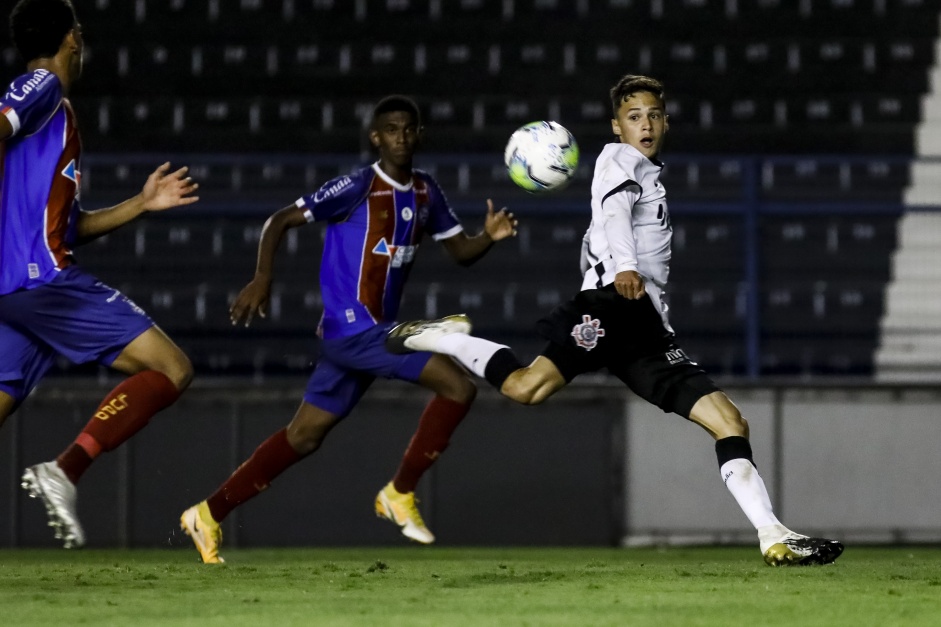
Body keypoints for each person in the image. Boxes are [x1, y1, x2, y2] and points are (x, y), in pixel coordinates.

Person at [387, 75, 844, 567]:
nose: (644, 124)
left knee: (729, 420)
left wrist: (620, 272)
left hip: (644, 324)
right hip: (613, 304)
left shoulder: (646, 173)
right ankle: (449, 339)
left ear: (665, 122)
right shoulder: (618, 158)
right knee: (524, 389)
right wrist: (623, 266)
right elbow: (614, 213)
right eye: (633, 116)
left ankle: (772, 535)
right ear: (616, 126)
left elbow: (598, 232)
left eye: (652, 115)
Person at [179, 95, 516, 563]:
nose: (401, 136)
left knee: (303, 437)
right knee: (457, 386)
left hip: (361, 340)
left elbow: (460, 252)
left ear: (420, 135)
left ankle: (207, 514)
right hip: (354, 328)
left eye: (409, 128)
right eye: (391, 129)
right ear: (376, 138)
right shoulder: (356, 187)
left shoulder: (425, 192)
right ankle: (399, 493)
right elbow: (279, 220)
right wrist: (262, 277)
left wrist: (489, 239)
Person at [1, 0, 200, 549]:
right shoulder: (41, 88)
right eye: (80, 33)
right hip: (42, 282)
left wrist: (140, 204)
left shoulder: (48, 120)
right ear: (72, 39)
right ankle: (63, 470)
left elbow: (66, 227)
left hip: (14, 292)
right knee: (172, 368)